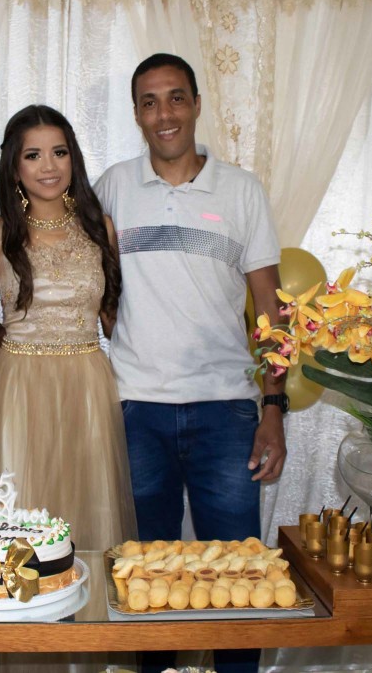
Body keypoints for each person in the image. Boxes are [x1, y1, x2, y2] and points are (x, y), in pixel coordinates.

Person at [93, 54, 287, 673]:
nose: (164, 114)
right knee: (146, 581)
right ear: (136, 114)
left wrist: (273, 408)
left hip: (226, 411)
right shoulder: (112, 187)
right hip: (136, 409)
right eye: (149, 102)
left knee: (240, 582)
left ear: (197, 104)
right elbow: (89, 284)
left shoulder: (242, 190)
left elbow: (271, 311)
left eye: (176, 98)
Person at [0, 104, 136, 552]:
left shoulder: (99, 228)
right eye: (33, 155)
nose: (49, 166)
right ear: (14, 166)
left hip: (87, 383)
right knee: (17, 514)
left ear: (73, 159)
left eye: (59, 152)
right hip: (17, 386)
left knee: (87, 511)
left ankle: (85, 598)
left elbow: (113, 320)